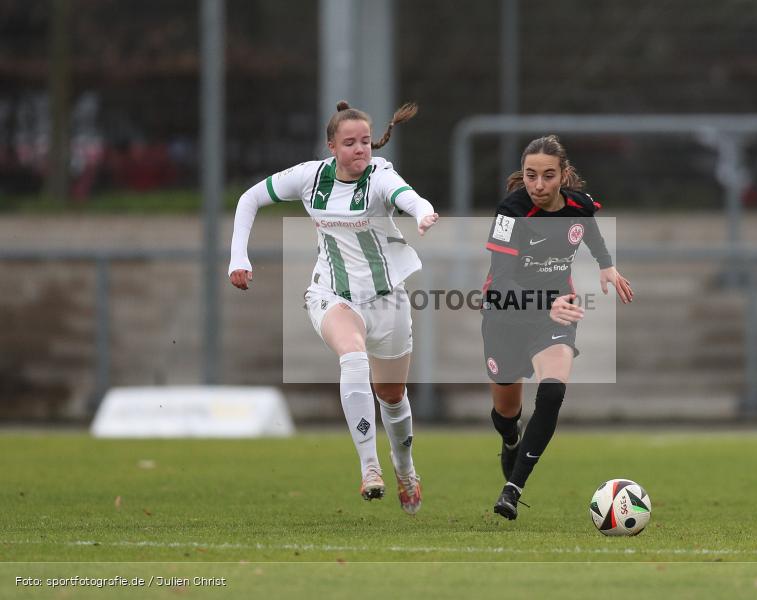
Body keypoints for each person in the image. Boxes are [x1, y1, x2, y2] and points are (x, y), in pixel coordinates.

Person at [228, 101, 439, 515]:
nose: (361, 149)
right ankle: (370, 468)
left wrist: (423, 211)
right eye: (350, 143)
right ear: (331, 147)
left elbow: (405, 195)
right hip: (332, 294)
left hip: (387, 299)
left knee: (392, 396)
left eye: (365, 141)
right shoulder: (309, 177)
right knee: (353, 356)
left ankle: (405, 469)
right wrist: (239, 256)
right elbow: (249, 198)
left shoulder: (380, 174)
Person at [481, 135, 633, 520]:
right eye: (531, 175)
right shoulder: (510, 213)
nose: (538, 185)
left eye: (548, 176)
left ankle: (512, 490)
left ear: (563, 175)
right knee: (506, 412)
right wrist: (544, 302)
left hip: (556, 315)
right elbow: (500, 285)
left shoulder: (578, 205)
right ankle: (510, 436)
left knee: (551, 394)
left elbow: (590, 232)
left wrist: (606, 265)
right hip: (505, 317)